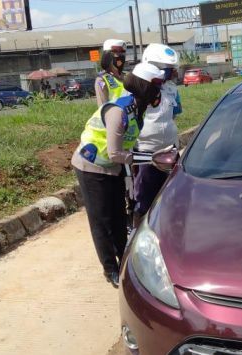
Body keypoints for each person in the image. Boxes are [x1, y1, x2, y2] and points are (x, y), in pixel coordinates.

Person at [71, 62, 164, 288]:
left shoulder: (137, 110)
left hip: (112, 167)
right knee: (101, 219)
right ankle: (110, 269)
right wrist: (149, 159)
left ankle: (124, 259)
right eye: (156, 86)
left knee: (118, 214)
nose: (159, 92)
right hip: (91, 167)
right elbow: (115, 153)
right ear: (145, 88)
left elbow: (127, 147)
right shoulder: (119, 110)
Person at [132, 43, 181, 227]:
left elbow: (175, 113)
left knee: (169, 195)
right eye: (167, 70)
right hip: (146, 152)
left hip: (169, 151)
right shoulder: (137, 89)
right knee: (144, 197)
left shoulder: (172, 89)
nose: (170, 74)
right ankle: (139, 231)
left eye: (171, 70)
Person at [95, 39, 128, 106]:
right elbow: (102, 107)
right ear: (107, 55)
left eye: (122, 52)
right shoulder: (102, 80)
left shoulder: (128, 77)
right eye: (115, 52)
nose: (119, 55)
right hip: (114, 115)